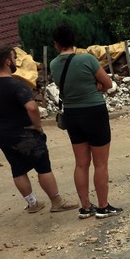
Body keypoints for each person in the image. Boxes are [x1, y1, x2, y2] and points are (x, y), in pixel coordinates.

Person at [0, 46, 78, 214]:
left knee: (18, 169)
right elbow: (32, 107)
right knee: (43, 167)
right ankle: (56, 201)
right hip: (25, 133)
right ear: (8, 61)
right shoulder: (15, 84)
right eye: (14, 58)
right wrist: (37, 126)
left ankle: (32, 204)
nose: (15, 61)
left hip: (2, 134)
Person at [50, 25, 123, 219]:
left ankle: (85, 207)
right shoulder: (87, 59)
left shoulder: (53, 64)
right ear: (74, 40)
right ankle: (103, 206)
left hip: (72, 115)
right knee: (101, 164)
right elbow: (107, 84)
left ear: (56, 44)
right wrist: (96, 85)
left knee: (81, 163)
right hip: (94, 112)